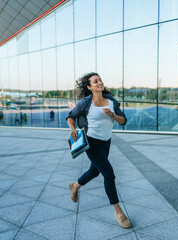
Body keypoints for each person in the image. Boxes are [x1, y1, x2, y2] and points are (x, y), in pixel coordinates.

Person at [66, 72, 131, 229]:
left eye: (100, 80)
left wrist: (113, 115)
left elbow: (123, 121)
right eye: (95, 81)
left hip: (106, 142)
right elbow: (71, 116)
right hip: (91, 143)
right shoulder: (85, 103)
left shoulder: (111, 101)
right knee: (108, 173)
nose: (99, 82)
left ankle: (75, 186)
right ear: (90, 87)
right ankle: (119, 213)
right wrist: (72, 128)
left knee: (94, 171)